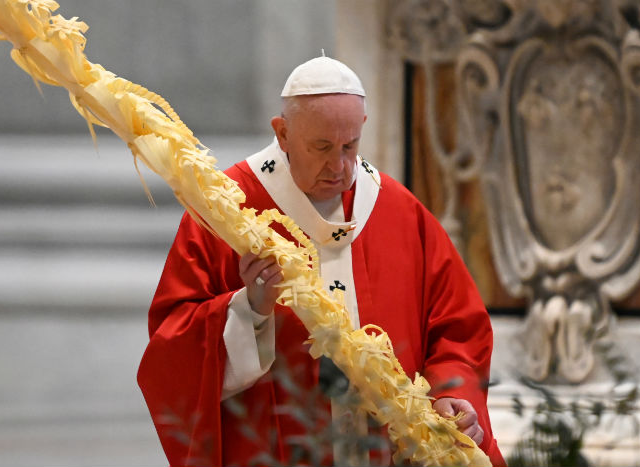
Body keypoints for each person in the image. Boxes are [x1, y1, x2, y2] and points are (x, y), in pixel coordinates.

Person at [137, 56, 506, 466]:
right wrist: (250, 309)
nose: (339, 167)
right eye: (322, 147)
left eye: (350, 146)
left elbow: (458, 329)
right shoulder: (227, 207)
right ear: (283, 133)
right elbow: (171, 352)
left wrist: (452, 393)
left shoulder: (397, 209)